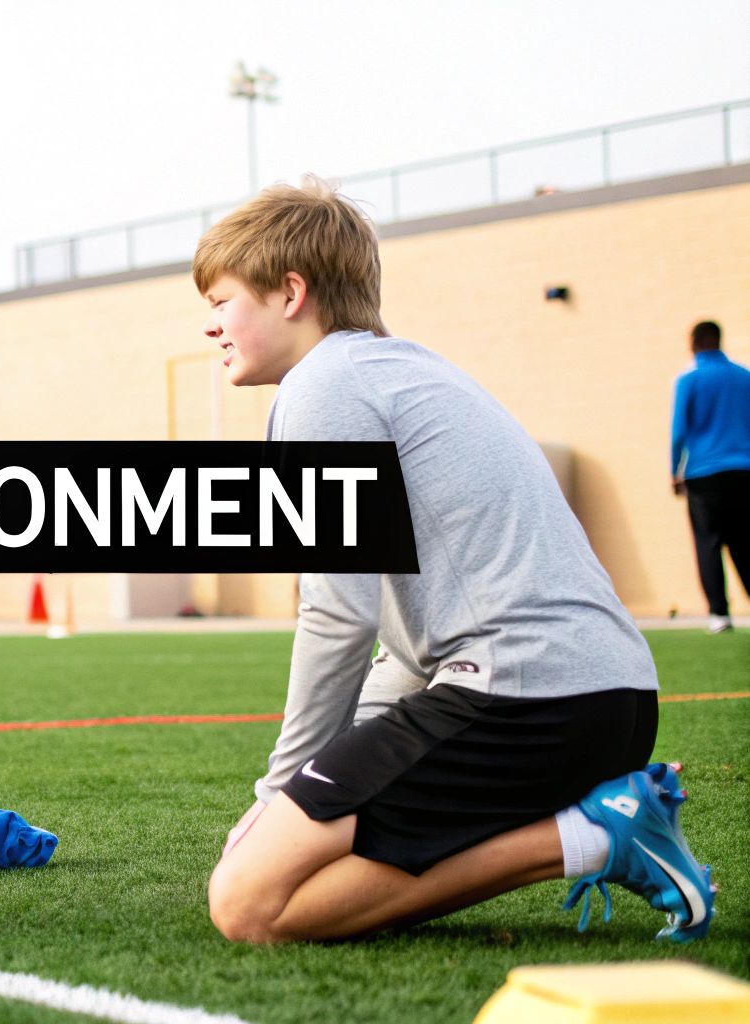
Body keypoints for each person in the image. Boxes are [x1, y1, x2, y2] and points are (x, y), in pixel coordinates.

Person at [196, 177, 714, 944]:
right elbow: (416, 639)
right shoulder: (400, 368)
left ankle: (601, 837)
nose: (210, 328)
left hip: (528, 701)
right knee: (284, 874)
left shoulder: (323, 387)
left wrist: (282, 791)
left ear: (291, 292)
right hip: (606, 698)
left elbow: (338, 613)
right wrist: (332, 770)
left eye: (220, 302)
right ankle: (603, 822)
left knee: (249, 905)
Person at [670, 320, 750, 634]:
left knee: (708, 542)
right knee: (745, 541)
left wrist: (674, 469)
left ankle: (720, 614)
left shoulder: (688, 380)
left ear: (695, 342)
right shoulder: (745, 377)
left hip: (703, 473)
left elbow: (679, 431)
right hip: (744, 471)